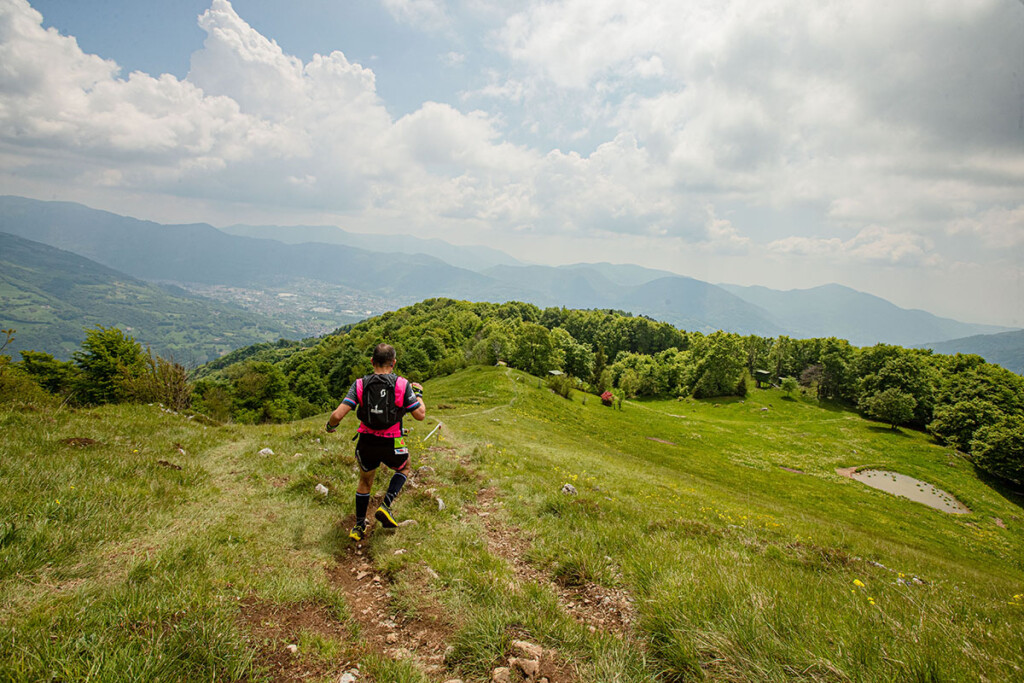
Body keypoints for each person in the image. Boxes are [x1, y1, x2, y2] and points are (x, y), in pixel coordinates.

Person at [326, 343, 425, 541]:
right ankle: (386, 505)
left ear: (372, 361)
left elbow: (338, 414)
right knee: (404, 468)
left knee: (365, 481)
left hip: (367, 442)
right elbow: (420, 415)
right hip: (393, 441)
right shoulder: (401, 384)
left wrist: (330, 426)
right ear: (393, 363)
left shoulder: (360, 384)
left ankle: (359, 526)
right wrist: (419, 394)